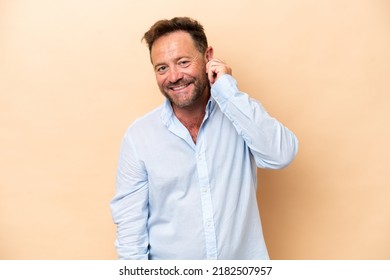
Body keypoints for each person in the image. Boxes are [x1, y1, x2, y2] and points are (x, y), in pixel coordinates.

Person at [110, 17, 298, 260]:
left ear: (208, 56)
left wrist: (228, 91)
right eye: (162, 68)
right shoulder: (139, 136)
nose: (174, 76)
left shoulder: (240, 115)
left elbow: (281, 155)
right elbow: (130, 230)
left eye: (183, 62)